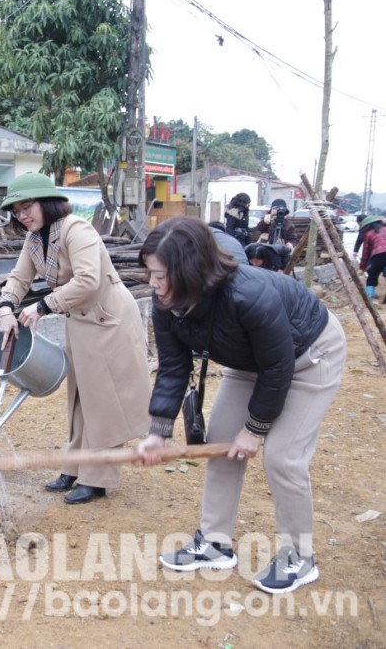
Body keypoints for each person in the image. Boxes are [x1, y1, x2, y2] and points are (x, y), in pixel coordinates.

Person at [136, 216, 346, 595]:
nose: (152, 284)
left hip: (309, 357)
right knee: (219, 445)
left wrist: (255, 429)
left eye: (159, 274)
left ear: (189, 271)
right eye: (149, 273)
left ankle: (299, 556)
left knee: (282, 458)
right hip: (249, 361)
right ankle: (216, 543)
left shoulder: (247, 294)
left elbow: (279, 367)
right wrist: (158, 432)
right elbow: (172, 367)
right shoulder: (165, 301)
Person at [0, 172, 151, 504]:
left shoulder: (75, 229)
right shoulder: (34, 240)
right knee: (79, 398)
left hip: (107, 318)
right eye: (17, 211)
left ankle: (97, 478)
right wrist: (6, 308)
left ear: (47, 203)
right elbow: (18, 278)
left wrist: (42, 306)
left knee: (103, 401)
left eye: (28, 207)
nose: (23, 216)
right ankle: (74, 467)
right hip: (79, 322)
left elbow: (88, 280)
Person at [357, 216, 386, 301]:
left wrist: (362, 268)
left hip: (378, 256)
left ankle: (370, 299)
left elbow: (365, 253)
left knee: (372, 276)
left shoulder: (368, 233)